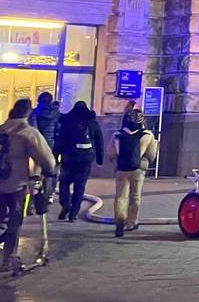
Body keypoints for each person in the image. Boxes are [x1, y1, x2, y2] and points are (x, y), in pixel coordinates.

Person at [0, 98, 56, 271]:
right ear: (27, 112)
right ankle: (10, 259)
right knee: (14, 222)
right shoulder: (27, 131)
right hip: (16, 185)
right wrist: (49, 170)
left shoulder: (0, 129)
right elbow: (46, 156)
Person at [109, 109, 158, 237]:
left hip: (121, 169)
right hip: (138, 169)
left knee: (120, 196)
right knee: (135, 196)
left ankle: (119, 222)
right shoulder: (147, 135)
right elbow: (151, 155)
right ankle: (132, 222)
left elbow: (111, 154)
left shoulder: (117, 135)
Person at [55, 100, 104, 221]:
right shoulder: (92, 122)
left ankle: (66, 205)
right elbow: (99, 141)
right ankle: (74, 214)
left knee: (64, 183)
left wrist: (55, 157)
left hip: (69, 158)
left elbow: (60, 140)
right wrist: (100, 159)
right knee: (79, 186)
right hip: (86, 159)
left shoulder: (67, 121)